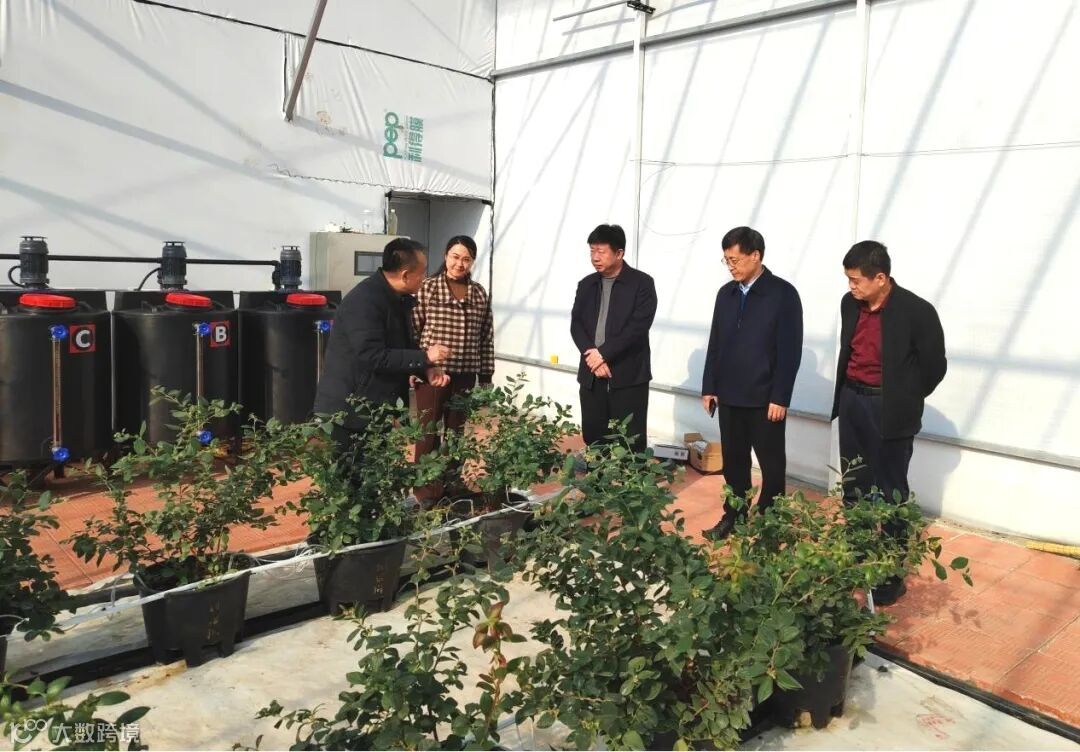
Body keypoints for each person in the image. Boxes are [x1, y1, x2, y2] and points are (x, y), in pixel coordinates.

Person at [832, 240, 946, 605]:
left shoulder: (917, 311)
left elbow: (934, 366)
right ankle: (858, 553)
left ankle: (892, 571)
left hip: (889, 407)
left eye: (856, 280)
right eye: (848, 279)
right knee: (854, 481)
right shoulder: (850, 304)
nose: (851, 286)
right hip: (852, 399)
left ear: (880, 278)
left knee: (891, 489)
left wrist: (903, 395)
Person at [701, 226, 803, 540]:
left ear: (755, 255)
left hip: (765, 399)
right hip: (730, 395)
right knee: (734, 463)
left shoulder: (782, 294)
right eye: (726, 261)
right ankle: (734, 515)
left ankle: (771, 520)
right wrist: (709, 386)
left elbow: (790, 351)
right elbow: (715, 342)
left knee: (771, 464)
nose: (730, 267)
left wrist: (780, 396)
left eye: (735, 260)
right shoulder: (726, 294)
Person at [313, 237, 450, 460]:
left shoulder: (395, 298)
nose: (425, 278)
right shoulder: (365, 301)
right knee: (351, 475)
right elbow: (373, 356)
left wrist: (425, 368)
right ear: (405, 275)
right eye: (422, 272)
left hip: (373, 408)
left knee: (374, 473)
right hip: (350, 411)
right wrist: (425, 356)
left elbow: (401, 345)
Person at [411, 235, 495, 501]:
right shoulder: (429, 287)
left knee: (456, 431)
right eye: (455, 257)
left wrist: (486, 375)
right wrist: (414, 367)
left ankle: (452, 482)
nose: (460, 264)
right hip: (433, 373)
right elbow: (413, 329)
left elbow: (486, 335)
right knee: (428, 430)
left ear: (473, 261)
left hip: (465, 373)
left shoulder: (479, 292)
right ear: (445, 256)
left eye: (466, 259)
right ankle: (426, 489)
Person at [570, 223, 657, 453]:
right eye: (592, 250)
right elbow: (576, 324)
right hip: (591, 373)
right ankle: (596, 477)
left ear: (619, 253)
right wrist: (593, 357)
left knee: (629, 439)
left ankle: (629, 478)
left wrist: (603, 354)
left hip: (628, 374)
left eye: (601, 251)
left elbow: (638, 326)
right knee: (595, 436)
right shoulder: (586, 284)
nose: (595, 257)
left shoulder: (642, 283)